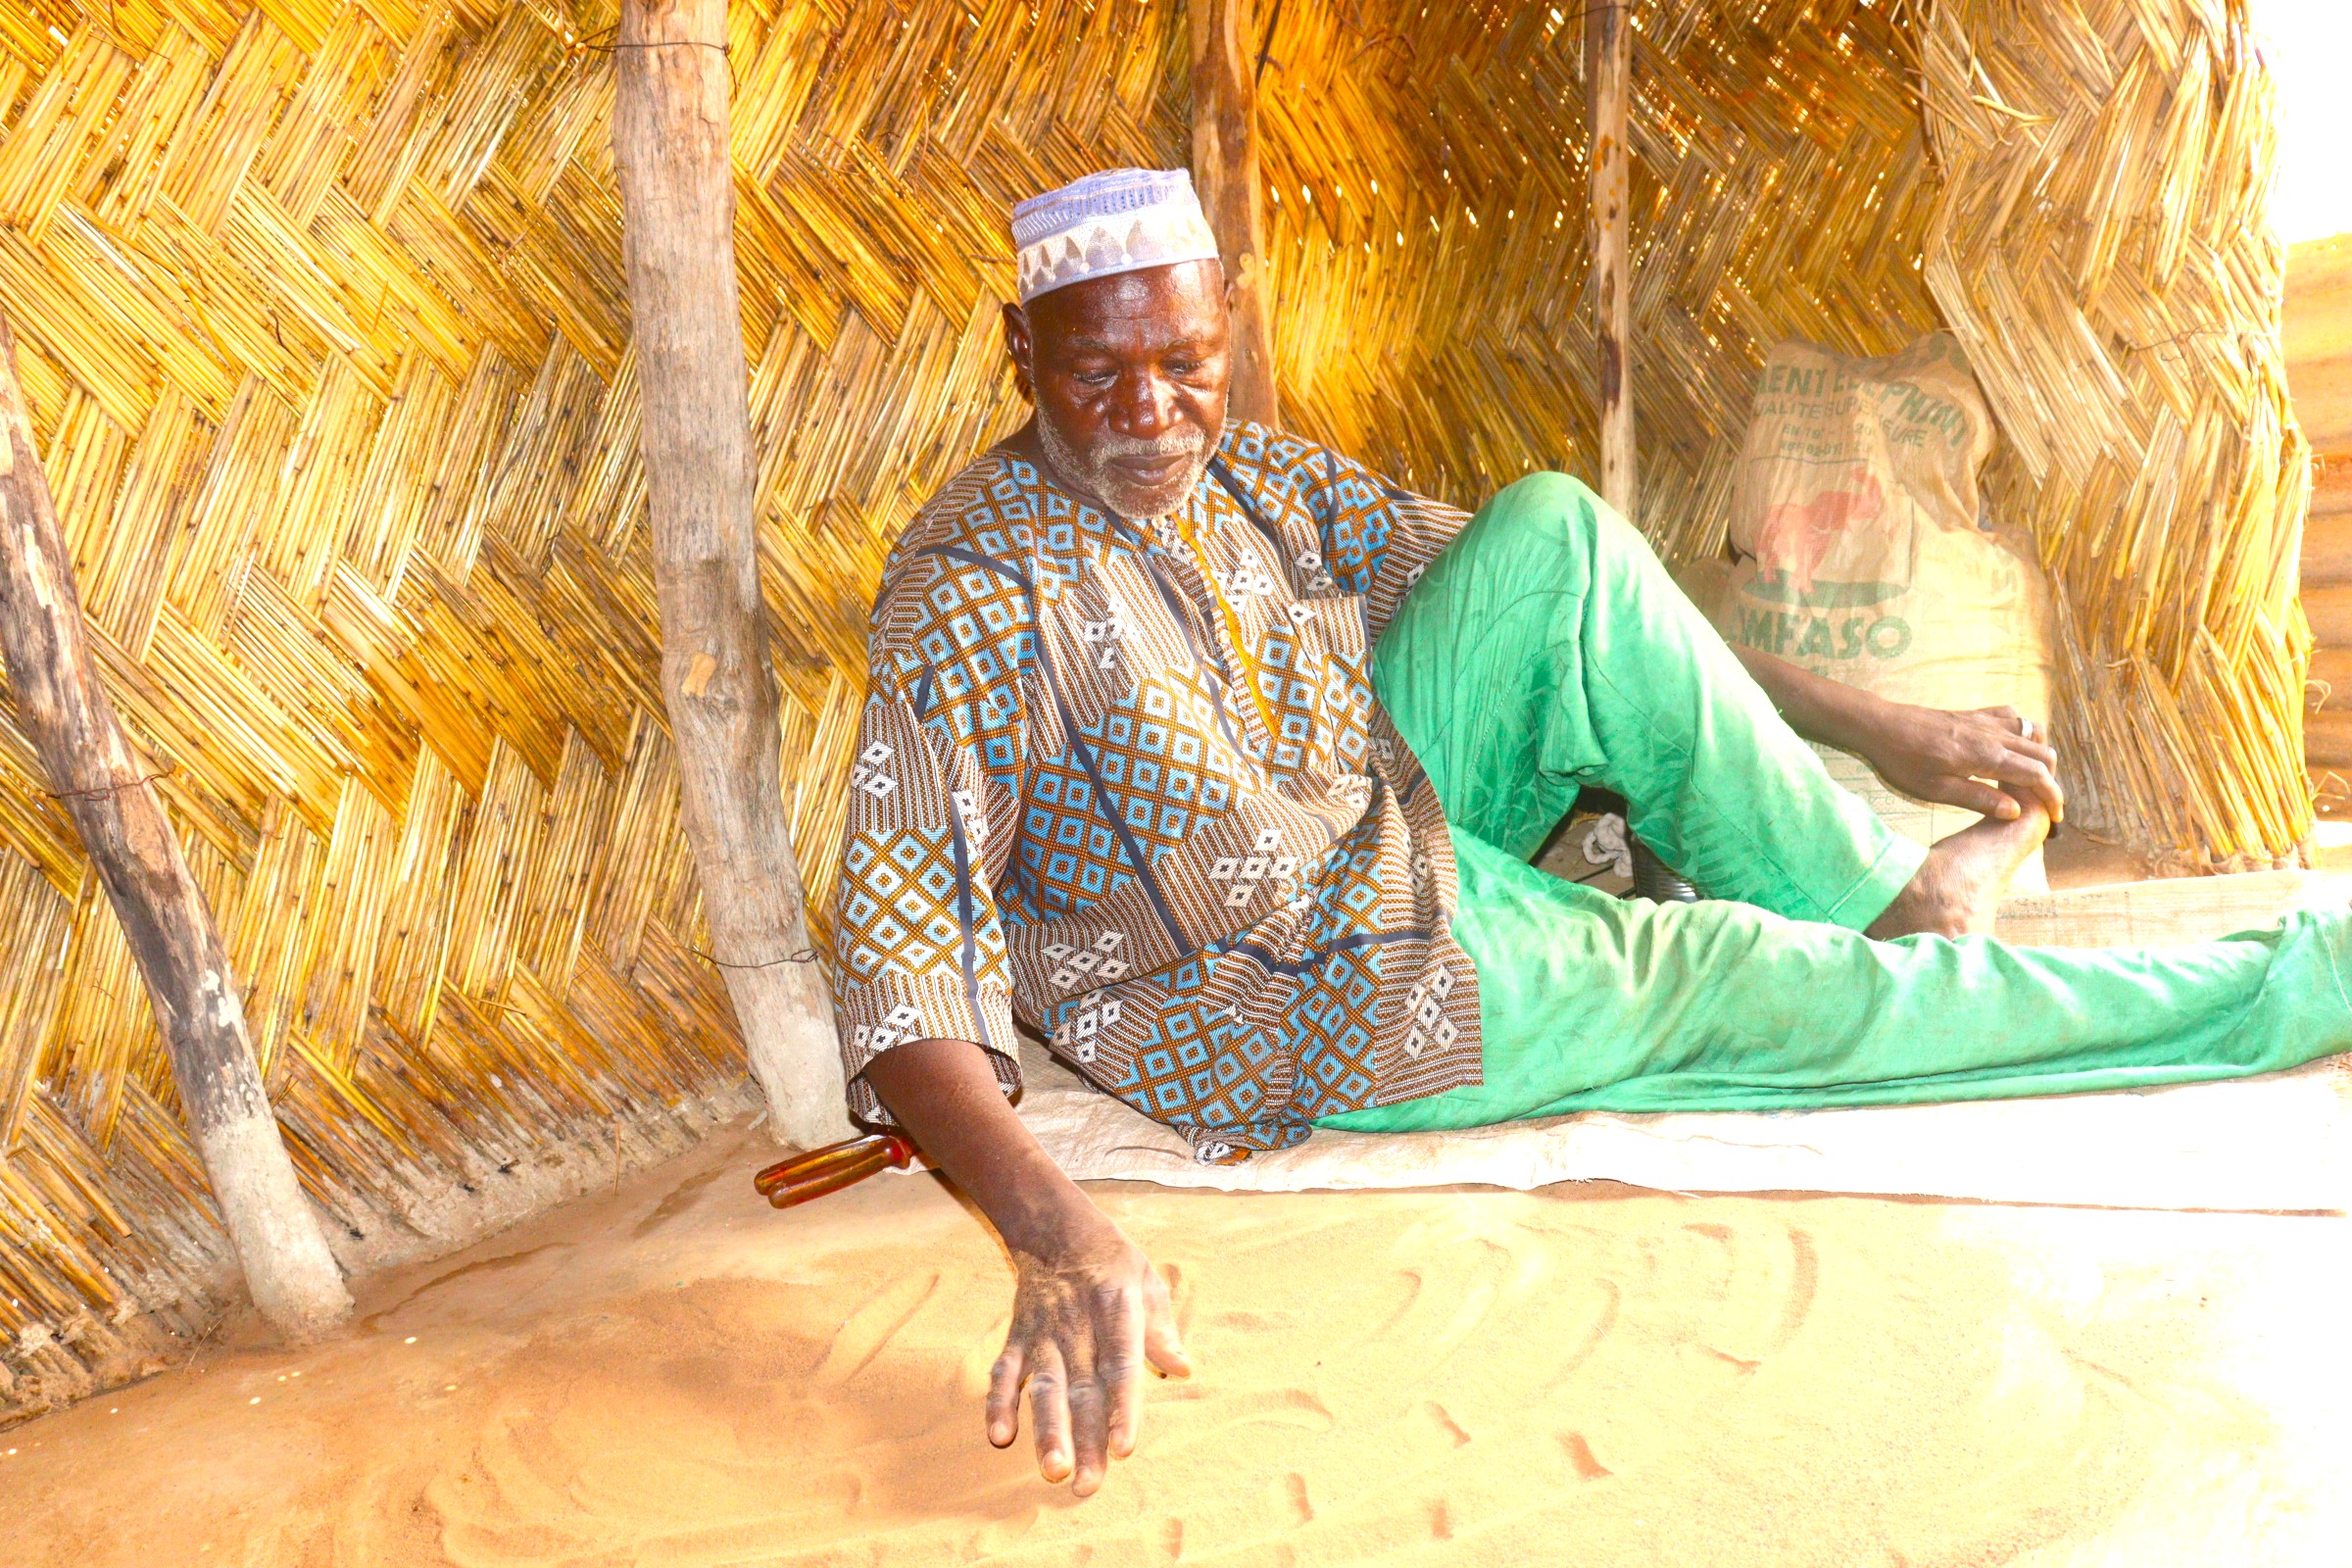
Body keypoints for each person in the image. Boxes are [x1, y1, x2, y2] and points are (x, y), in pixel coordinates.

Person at [827, 168, 2349, 1495]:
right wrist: (1053, 1231)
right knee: (1745, 977)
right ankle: (2297, 981)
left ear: (1226, 325)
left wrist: (1884, 726)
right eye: (1100, 375)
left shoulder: (1250, 479)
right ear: (1022, 351)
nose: (1152, 413)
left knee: (1550, 529)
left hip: (1375, 811)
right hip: (1306, 996)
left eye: (1186, 362)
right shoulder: (971, 592)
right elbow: (901, 957)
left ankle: (1877, 891)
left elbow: (1587, 605)